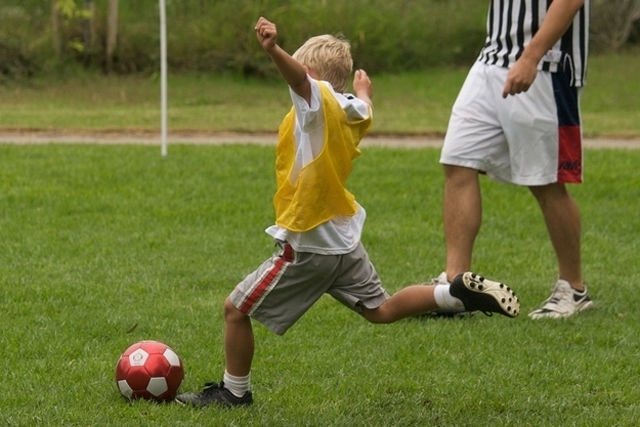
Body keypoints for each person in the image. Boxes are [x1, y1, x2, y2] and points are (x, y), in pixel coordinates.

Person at [176, 16, 520, 408]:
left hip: (311, 243)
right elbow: (365, 105)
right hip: (343, 241)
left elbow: (301, 82)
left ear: (313, 74)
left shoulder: (316, 102)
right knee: (382, 310)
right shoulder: (352, 107)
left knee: (235, 310)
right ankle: (454, 294)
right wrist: (363, 90)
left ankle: (234, 393)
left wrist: (273, 49)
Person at [438, 0, 592, 319]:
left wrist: (531, 56)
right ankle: (456, 287)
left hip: (546, 66)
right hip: (491, 59)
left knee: (546, 182)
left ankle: (573, 288)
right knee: (458, 161)